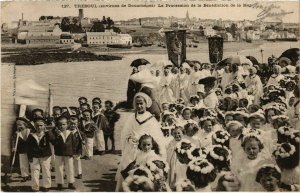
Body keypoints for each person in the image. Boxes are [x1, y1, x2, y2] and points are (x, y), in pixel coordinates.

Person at [116, 92, 166, 191]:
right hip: (132, 149)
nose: (139, 106)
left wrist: (144, 140)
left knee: (144, 171)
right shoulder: (131, 118)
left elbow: (157, 137)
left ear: (146, 103)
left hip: (145, 149)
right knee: (127, 168)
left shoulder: (151, 120)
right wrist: (130, 139)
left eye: (141, 103)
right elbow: (125, 133)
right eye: (137, 103)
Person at [27, 118, 52, 192]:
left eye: (41, 125)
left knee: (46, 170)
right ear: (34, 126)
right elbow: (28, 147)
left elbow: (53, 140)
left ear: (44, 126)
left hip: (45, 155)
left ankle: (46, 186)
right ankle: (35, 187)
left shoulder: (47, 134)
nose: (39, 127)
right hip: (35, 155)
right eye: (37, 125)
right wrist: (30, 157)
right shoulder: (31, 135)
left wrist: (48, 132)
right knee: (34, 171)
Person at [51, 116, 76, 190]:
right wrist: (57, 136)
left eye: (64, 124)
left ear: (67, 124)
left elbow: (73, 144)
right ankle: (59, 183)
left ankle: (70, 183)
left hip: (69, 153)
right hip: (59, 153)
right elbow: (53, 142)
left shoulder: (70, 133)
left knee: (70, 168)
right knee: (59, 168)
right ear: (57, 125)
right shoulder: (55, 134)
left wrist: (73, 153)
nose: (62, 126)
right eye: (60, 125)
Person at [11, 117, 31, 182]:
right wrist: (13, 147)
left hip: (30, 149)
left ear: (25, 124)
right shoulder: (17, 133)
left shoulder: (29, 130)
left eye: (20, 124)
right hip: (21, 149)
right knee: (23, 163)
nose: (19, 126)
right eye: (17, 125)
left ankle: (33, 174)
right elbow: (13, 140)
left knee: (32, 162)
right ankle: (25, 175)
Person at [69, 115, 84, 179]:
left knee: (77, 161)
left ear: (77, 124)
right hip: (69, 150)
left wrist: (83, 141)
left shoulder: (80, 133)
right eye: (71, 124)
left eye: (74, 124)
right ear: (68, 123)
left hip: (77, 150)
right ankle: (68, 173)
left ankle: (79, 173)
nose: (73, 125)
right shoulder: (67, 132)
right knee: (69, 163)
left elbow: (83, 139)